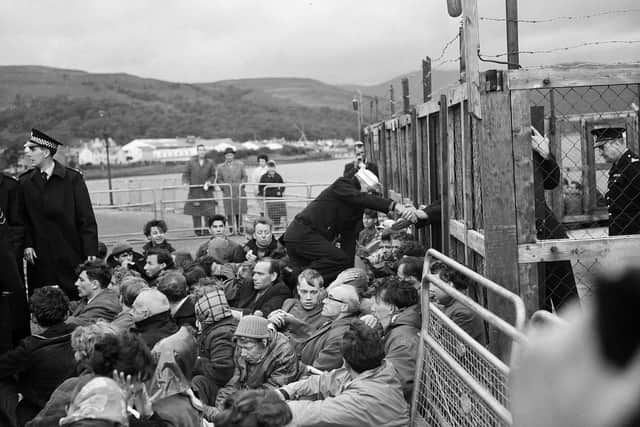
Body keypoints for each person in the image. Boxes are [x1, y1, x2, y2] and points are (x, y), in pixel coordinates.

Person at [282, 168, 409, 284]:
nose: (371, 196)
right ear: (362, 183)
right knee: (337, 259)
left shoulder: (355, 208)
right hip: (302, 233)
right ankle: (294, 277)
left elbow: (349, 237)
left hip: (308, 237)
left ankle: (298, 284)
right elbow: (361, 198)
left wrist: (349, 270)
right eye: (370, 191)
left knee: (341, 262)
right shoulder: (342, 185)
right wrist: (393, 205)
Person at [278, 320, 410, 427]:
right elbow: (324, 381)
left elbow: (310, 413)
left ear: (345, 361)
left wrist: (267, 404)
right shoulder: (380, 369)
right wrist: (284, 392)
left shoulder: (362, 399)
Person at [20, 129, 98, 299]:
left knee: (75, 299)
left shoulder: (73, 179)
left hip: (71, 252)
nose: (28, 153)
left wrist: (90, 249)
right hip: (40, 257)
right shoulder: (25, 182)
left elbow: (86, 218)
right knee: (43, 303)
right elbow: (23, 218)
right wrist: (27, 244)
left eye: (33, 149)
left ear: (46, 152)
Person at [0, 286, 76, 426]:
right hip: (70, 406)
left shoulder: (30, 347)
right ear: (66, 314)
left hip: (36, 412)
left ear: (33, 318)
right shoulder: (79, 336)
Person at [528, 126, 580, 311]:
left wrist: (545, 154)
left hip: (547, 230)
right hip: (522, 230)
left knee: (565, 297)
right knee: (536, 300)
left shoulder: (530, 142)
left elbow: (551, 182)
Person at [215, 315, 300, 408]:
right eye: (240, 347)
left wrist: (236, 408)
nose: (243, 353)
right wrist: (223, 402)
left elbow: (271, 393)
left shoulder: (283, 354)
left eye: (248, 348)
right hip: (249, 394)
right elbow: (236, 381)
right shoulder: (242, 346)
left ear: (264, 342)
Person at [368, 277, 420, 400]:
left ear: (391, 308)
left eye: (376, 303)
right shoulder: (398, 329)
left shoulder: (403, 339)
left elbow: (394, 384)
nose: (372, 309)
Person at [191, 288, 238, 406]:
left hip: (222, 390)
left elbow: (222, 372)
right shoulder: (223, 326)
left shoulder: (221, 334)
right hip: (224, 387)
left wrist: (196, 362)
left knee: (197, 382)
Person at [299, 284, 360, 371]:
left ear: (344, 307)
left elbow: (318, 370)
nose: (324, 301)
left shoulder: (343, 335)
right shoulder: (335, 323)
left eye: (330, 298)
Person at [592, 126, 640, 236]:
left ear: (617, 144)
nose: (600, 153)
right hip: (622, 234)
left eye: (602, 147)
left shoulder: (634, 167)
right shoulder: (617, 167)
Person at [0, 171, 28, 352]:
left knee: (12, 315)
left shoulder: (10, 186)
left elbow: (18, 225)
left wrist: (10, 253)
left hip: (6, 261)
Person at [430, 261, 486, 345]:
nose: (431, 288)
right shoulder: (450, 304)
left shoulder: (463, 313)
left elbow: (448, 349)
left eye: (435, 284)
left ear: (450, 285)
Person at [268, 269, 327, 343]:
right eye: (304, 292)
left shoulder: (326, 313)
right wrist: (271, 321)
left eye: (313, 292)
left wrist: (293, 322)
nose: (308, 297)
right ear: (298, 290)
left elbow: (316, 340)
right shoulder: (289, 303)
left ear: (321, 291)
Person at [66, 260, 122, 327]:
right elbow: (75, 305)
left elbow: (74, 324)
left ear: (95, 284)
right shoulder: (92, 297)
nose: (76, 283)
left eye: (81, 280)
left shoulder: (105, 306)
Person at [183, 144, 217, 236]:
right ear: (197, 151)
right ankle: (197, 230)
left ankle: (207, 230)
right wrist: (185, 182)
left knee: (208, 211)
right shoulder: (190, 162)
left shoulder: (210, 162)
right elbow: (185, 174)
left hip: (207, 191)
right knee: (196, 212)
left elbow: (213, 175)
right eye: (200, 150)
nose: (201, 152)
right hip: (195, 191)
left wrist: (209, 182)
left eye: (203, 150)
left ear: (205, 151)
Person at [215, 147, 248, 230]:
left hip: (238, 191)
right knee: (229, 212)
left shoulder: (240, 164)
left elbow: (245, 176)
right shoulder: (220, 167)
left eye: (231, 155)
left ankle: (240, 228)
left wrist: (242, 185)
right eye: (228, 155)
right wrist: (224, 187)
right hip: (227, 192)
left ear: (233, 156)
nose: (229, 157)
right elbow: (219, 179)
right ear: (225, 156)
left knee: (239, 211)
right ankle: (231, 229)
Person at [258, 160, 286, 226]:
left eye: (272, 166)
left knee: (277, 213)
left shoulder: (278, 176)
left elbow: (282, 185)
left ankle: (277, 225)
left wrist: (280, 191)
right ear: (267, 167)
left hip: (277, 197)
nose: (271, 168)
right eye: (270, 166)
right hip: (268, 197)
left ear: (275, 167)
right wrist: (264, 194)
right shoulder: (264, 176)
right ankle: (270, 225)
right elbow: (260, 187)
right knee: (269, 213)